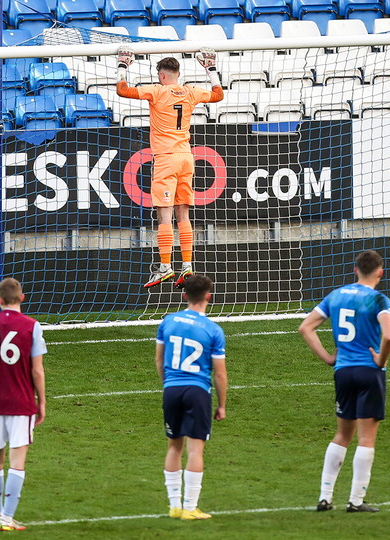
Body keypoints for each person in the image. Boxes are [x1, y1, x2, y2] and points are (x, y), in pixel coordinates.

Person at [116, 46, 224, 289]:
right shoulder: (190, 92)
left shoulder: (157, 91)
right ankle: (187, 265)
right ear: (178, 74)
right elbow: (218, 95)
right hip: (186, 157)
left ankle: (165, 266)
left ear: (162, 75)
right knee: (183, 214)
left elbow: (122, 90)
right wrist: (211, 69)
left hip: (165, 158)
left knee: (164, 215)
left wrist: (123, 65)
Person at [299, 249, 390, 513]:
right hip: (369, 372)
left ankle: (325, 497)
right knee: (366, 438)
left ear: (355, 270)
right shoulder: (379, 299)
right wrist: (381, 361)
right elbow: (389, 336)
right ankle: (356, 501)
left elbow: (305, 327)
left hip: (343, 372)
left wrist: (328, 358)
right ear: (380, 272)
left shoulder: (336, 295)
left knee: (342, 435)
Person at [0, 277, 47, 532]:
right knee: (17, 461)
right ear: (22, 298)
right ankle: (7, 517)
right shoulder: (32, 326)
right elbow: (37, 370)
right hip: (21, 403)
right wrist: (42, 401)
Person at [155, 274, 228, 520]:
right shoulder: (213, 330)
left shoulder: (168, 321)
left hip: (172, 389)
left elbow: (159, 360)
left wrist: (168, 385)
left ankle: (174, 506)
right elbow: (220, 374)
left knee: (174, 446)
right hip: (197, 391)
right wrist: (222, 405)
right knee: (195, 450)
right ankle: (189, 508)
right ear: (208, 296)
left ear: (185, 295)